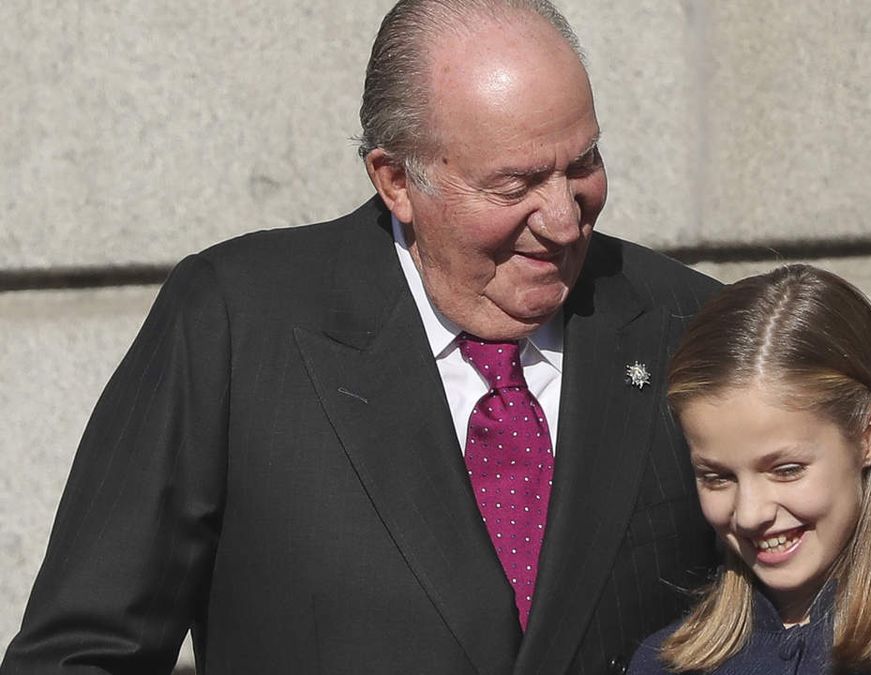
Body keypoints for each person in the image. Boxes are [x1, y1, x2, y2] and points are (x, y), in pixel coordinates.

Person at [1, 1, 720, 673]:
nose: (565, 218)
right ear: (396, 180)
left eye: (583, 163)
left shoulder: (694, 328)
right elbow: (81, 649)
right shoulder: (236, 325)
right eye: (516, 184)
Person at [629, 265, 871, 674]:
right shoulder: (665, 663)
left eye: (786, 470)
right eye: (717, 478)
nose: (750, 513)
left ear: (870, 436)